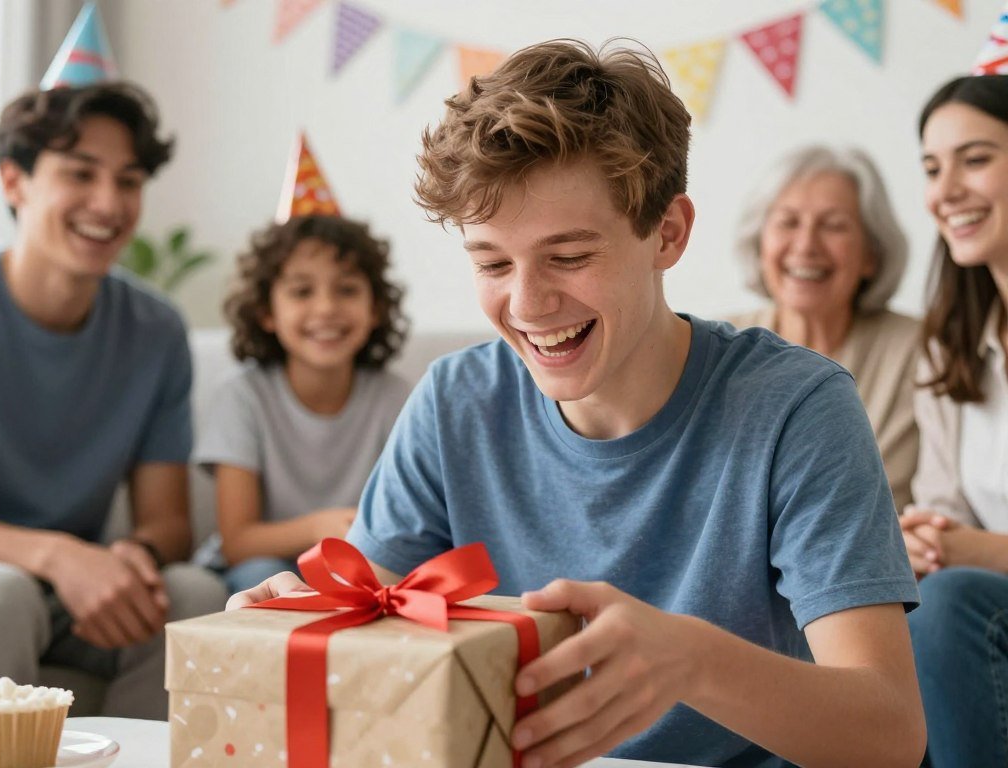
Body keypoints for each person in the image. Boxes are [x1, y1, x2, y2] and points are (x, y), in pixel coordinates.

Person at [229, 39, 925, 767]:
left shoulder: (797, 407)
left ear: (668, 233)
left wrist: (691, 660)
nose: (528, 304)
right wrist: (297, 624)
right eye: (493, 262)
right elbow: (366, 626)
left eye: (569, 256)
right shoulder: (455, 402)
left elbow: (889, 736)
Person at [0, 81, 227, 719]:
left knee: (192, 592)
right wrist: (57, 554)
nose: (108, 203)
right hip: (1, 576)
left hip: (73, 592)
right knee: (2, 595)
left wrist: (134, 556)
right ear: (15, 182)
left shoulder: (155, 329)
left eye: (128, 180)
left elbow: (169, 522)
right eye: (80, 174)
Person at [193, 214, 410, 594]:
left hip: (352, 570)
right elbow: (238, 541)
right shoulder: (242, 396)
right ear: (266, 312)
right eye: (301, 291)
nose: (326, 308)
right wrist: (317, 529)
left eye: (346, 289)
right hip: (249, 575)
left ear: (374, 308)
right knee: (263, 574)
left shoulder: (395, 397)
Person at [900, 72, 1008, 768]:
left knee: (948, 605)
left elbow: (966, 559)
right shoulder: (950, 348)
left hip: (978, 604)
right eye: (933, 169)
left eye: (975, 159)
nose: (944, 193)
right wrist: (921, 540)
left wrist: (969, 553)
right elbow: (945, 512)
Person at [730, 145, 919, 511]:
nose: (805, 246)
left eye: (833, 226)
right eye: (788, 222)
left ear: (871, 254)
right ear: (759, 242)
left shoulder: (922, 350)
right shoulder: (715, 347)